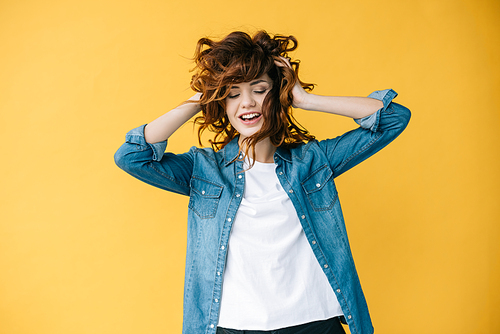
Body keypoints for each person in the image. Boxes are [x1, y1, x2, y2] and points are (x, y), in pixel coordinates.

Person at [114, 30, 411, 334]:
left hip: (313, 323)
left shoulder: (312, 162)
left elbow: (392, 118)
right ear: (223, 103)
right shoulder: (204, 170)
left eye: (259, 90)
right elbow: (131, 157)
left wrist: (306, 99)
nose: (247, 103)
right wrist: (201, 97)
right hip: (234, 326)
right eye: (233, 94)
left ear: (278, 95)